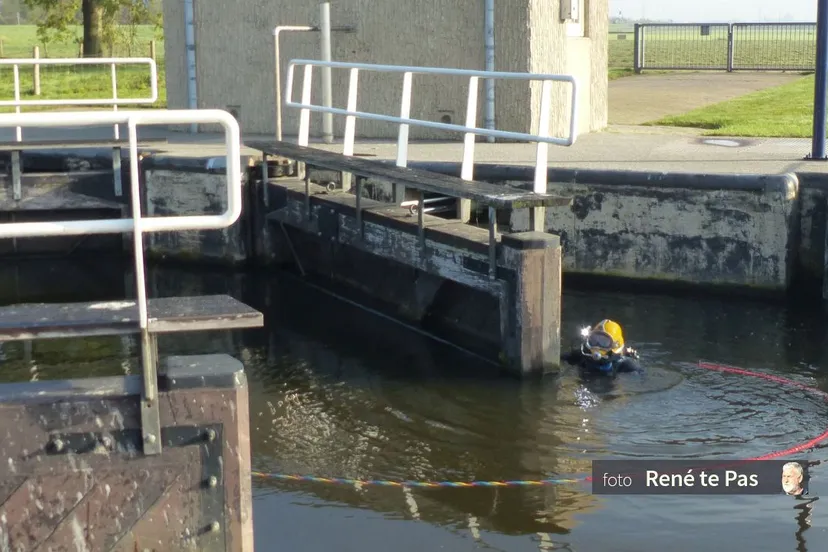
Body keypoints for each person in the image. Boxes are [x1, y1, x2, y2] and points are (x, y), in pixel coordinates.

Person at [562, 319, 642, 376]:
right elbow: (561, 358)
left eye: (604, 342)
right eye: (594, 340)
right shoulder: (581, 355)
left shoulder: (627, 366)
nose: (597, 346)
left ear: (615, 345)